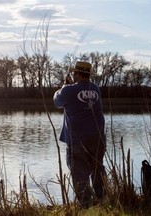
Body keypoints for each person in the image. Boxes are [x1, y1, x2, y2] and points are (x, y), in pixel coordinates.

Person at [53, 61, 106, 208]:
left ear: (77, 74)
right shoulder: (95, 88)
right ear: (89, 74)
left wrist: (64, 86)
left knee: (79, 174)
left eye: (74, 73)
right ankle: (102, 200)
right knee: (98, 169)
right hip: (98, 138)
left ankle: (86, 206)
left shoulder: (68, 90)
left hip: (78, 140)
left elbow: (57, 101)